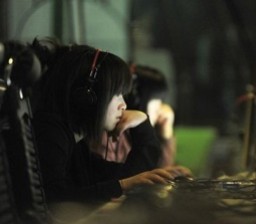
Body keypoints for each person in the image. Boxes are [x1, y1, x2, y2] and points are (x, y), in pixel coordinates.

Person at [30, 38, 191, 204]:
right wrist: (122, 185)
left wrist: (142, 123)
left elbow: (131, 176)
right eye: (117, 94)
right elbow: (57, 202)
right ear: (88, 97)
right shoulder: (50, 133)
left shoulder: (69, 140)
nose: (124, 104)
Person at [91, 64, 176, 167]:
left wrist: (166, 134)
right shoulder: (109, 138)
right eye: (156, 106)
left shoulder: (142, 135)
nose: (160, 112)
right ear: (136, 101)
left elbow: (160, 175)